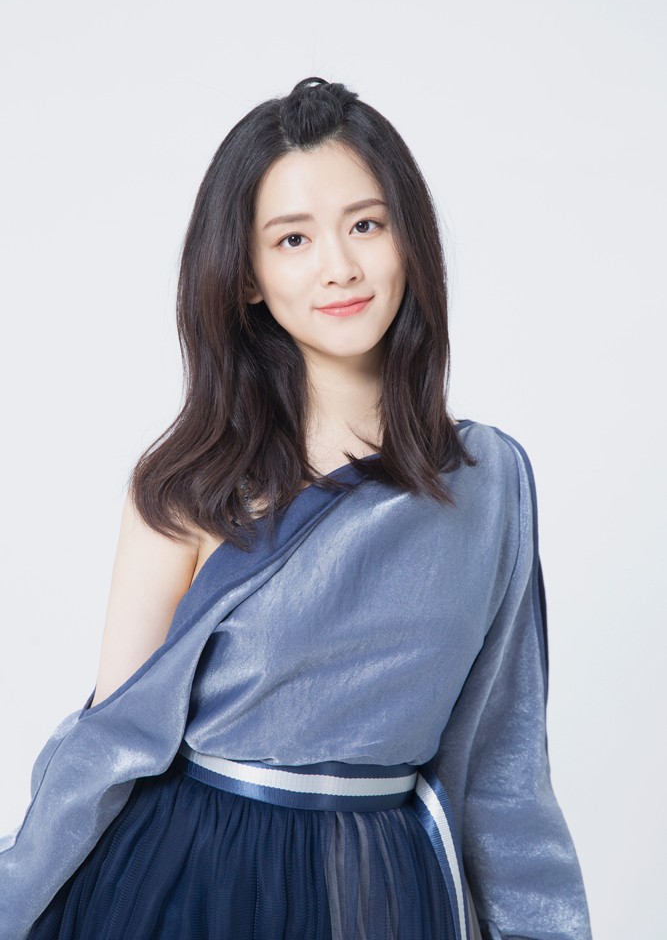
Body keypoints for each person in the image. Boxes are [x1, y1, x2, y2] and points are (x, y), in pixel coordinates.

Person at [0, 77, 592, 940]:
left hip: (388, 888)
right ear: (247, 276)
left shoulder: (490, 480)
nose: (338, 266)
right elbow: (108, 744)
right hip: (193, 882)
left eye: (365, 225)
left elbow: (504, 769)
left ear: (408, 239)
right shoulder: (187, 487)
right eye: (292, 238)